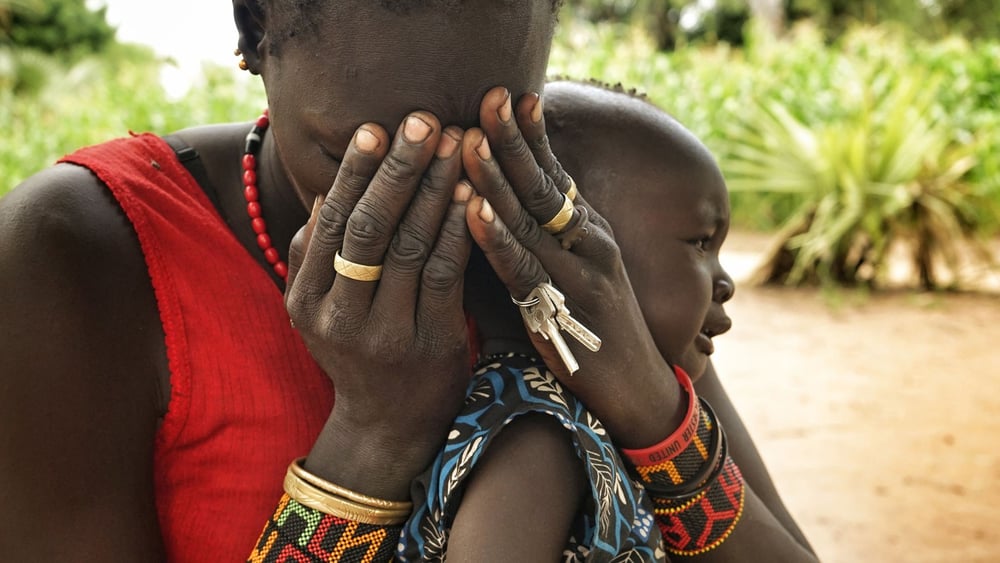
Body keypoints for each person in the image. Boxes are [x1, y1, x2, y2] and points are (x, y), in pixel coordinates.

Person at [0, 1, 811, 561]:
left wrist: (646, 399)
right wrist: (373, 435)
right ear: (255, 27)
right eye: (362, 150)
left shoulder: (550, 237)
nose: (442, 195)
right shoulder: (81, 259)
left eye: (489, 140)